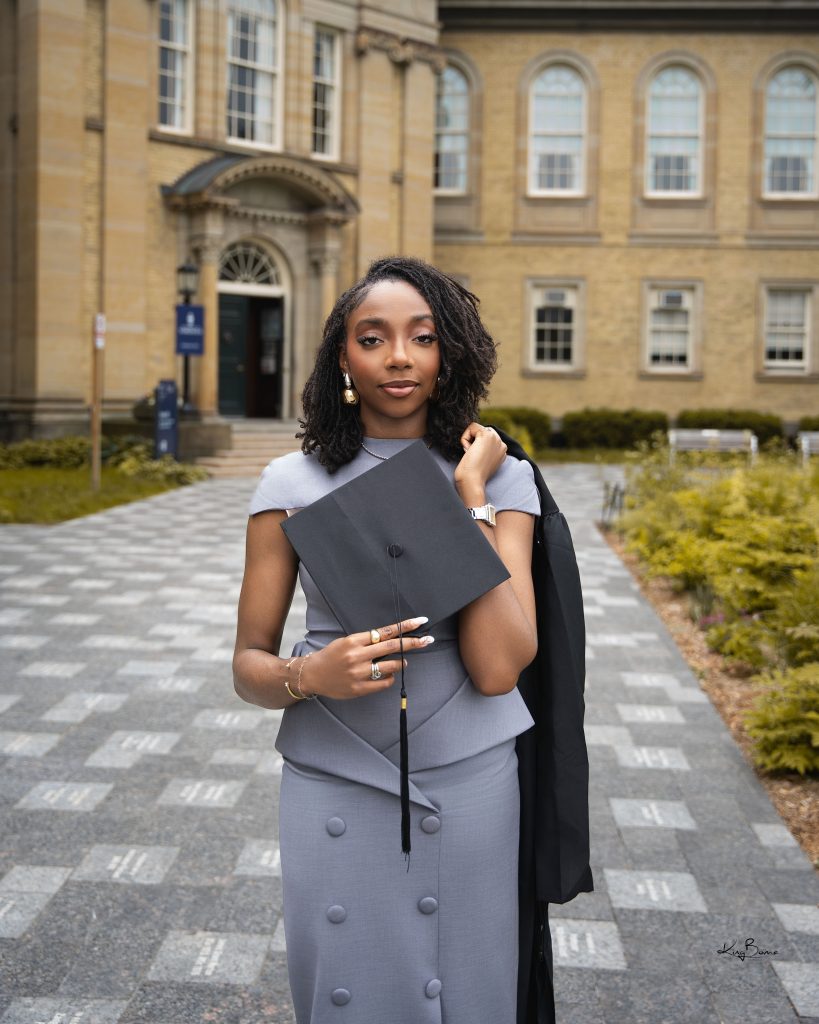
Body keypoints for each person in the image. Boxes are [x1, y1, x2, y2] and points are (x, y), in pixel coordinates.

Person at [233, 256, 543, 1024]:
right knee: (348, 984)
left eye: (421, 337)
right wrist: (310, 675)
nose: (398, 357)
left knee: (469, 981)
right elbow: (247, 666)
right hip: (332, 774)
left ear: (449, 354)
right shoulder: (289, 484)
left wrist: (468, 498)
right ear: (344, 356)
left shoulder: (501, 482)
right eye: (373, 339)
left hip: (468, 776)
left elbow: (498, 666)